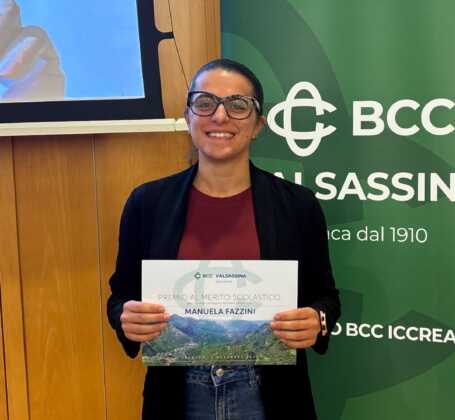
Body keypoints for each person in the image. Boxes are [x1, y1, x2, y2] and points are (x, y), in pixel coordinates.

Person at [107, 58, 341, 420]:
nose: (219, 116)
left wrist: (317, 320)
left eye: (237, 105)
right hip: (178, 394)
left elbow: (326, 297)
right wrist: (126, 316)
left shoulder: (298, 205)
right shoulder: (147, 203)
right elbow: (120, 294)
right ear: (188, 117)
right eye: (205, 103)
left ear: (258, 124)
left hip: (270, 395)